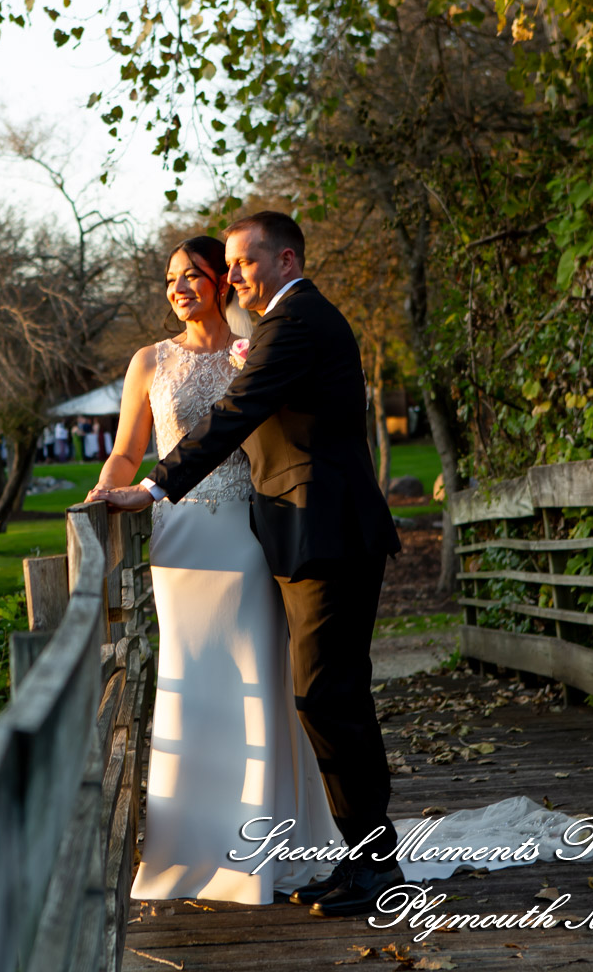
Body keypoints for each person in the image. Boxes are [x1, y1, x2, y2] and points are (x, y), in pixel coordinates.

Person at [91, 212, 405, 918]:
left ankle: (373, 867)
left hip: (323, 535)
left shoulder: (290, 324)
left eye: (239, 264)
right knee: (326, 697)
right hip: (295, 535)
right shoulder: (279, 325)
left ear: (284, 257)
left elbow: (236, 413)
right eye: (224, 266)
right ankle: (359, 861)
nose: (232, 277)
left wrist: (151, 487)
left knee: (329, 698)